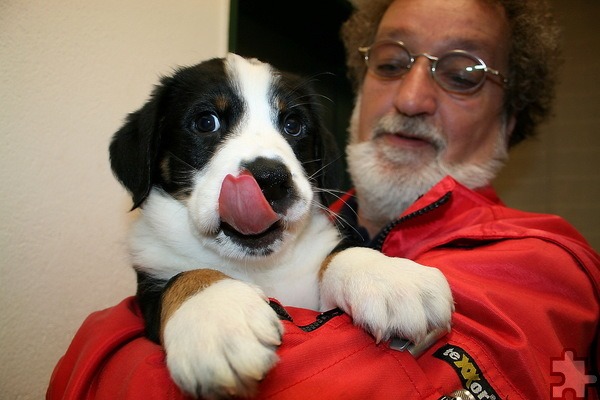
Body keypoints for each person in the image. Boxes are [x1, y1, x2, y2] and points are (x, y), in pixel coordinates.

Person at [48, 0, 599, 399]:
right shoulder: (329, 221)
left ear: (510, 120)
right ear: (360, 94)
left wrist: (114, 335)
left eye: (462, 74)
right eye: (390, 63)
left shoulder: (541, 263)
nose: (411, 97)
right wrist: (174, 296)